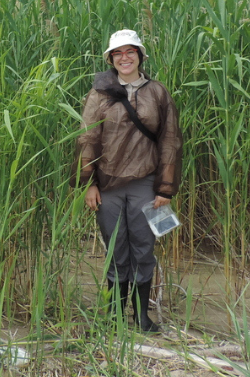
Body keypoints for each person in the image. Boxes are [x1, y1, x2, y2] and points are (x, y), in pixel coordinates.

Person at [73, 29, 183, 333]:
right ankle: (115, 317)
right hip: (107, 184)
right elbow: (87, 138)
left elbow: (170, 140)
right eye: (118, 52)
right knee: (115, 248)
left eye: (130, 51)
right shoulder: (99, 94)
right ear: (110, 58)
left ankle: (143, 318)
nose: (124, 57)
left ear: (140, 56)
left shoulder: (158, 92)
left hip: (145, 184)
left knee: (143, 248)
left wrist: (166, 188)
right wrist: (88, 184)